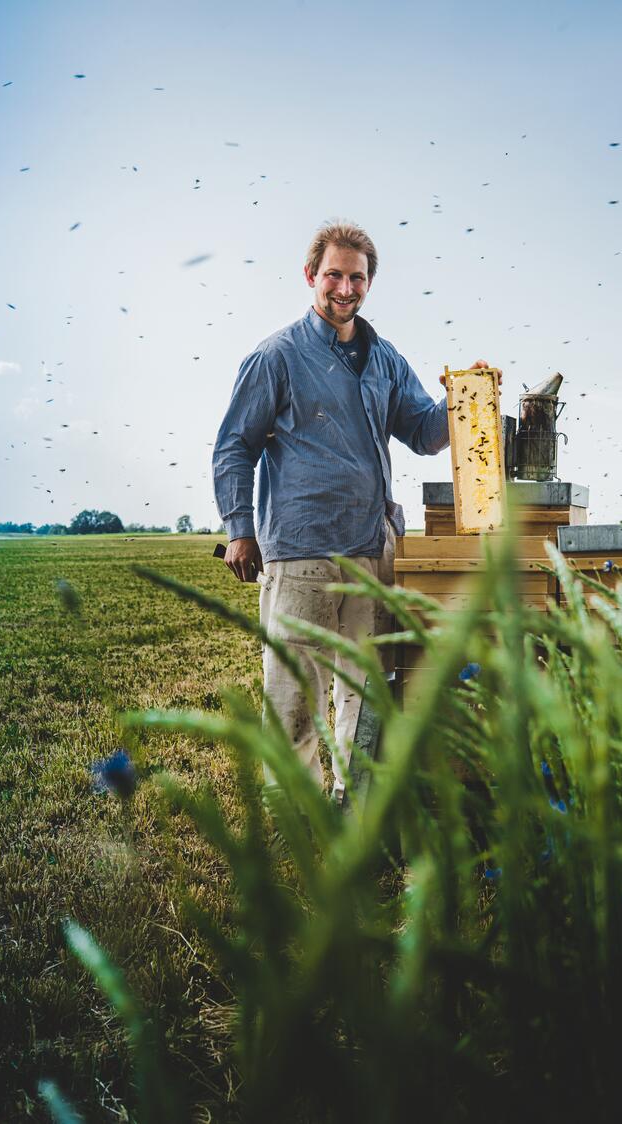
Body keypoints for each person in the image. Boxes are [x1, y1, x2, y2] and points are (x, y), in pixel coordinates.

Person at [212, 220, 500, 801]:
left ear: (370, 283)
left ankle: (353, 801)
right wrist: (240, 530)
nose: (345, 288)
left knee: (363, 687)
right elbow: (234, 447)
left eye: (357, 278)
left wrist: (464, 398)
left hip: (372, 549)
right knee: (296, 689)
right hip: (302, 549)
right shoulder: (276, 358)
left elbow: (421, 430)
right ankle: (297, 806)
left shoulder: (384, 358)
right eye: (334, 276)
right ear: (311, 276)